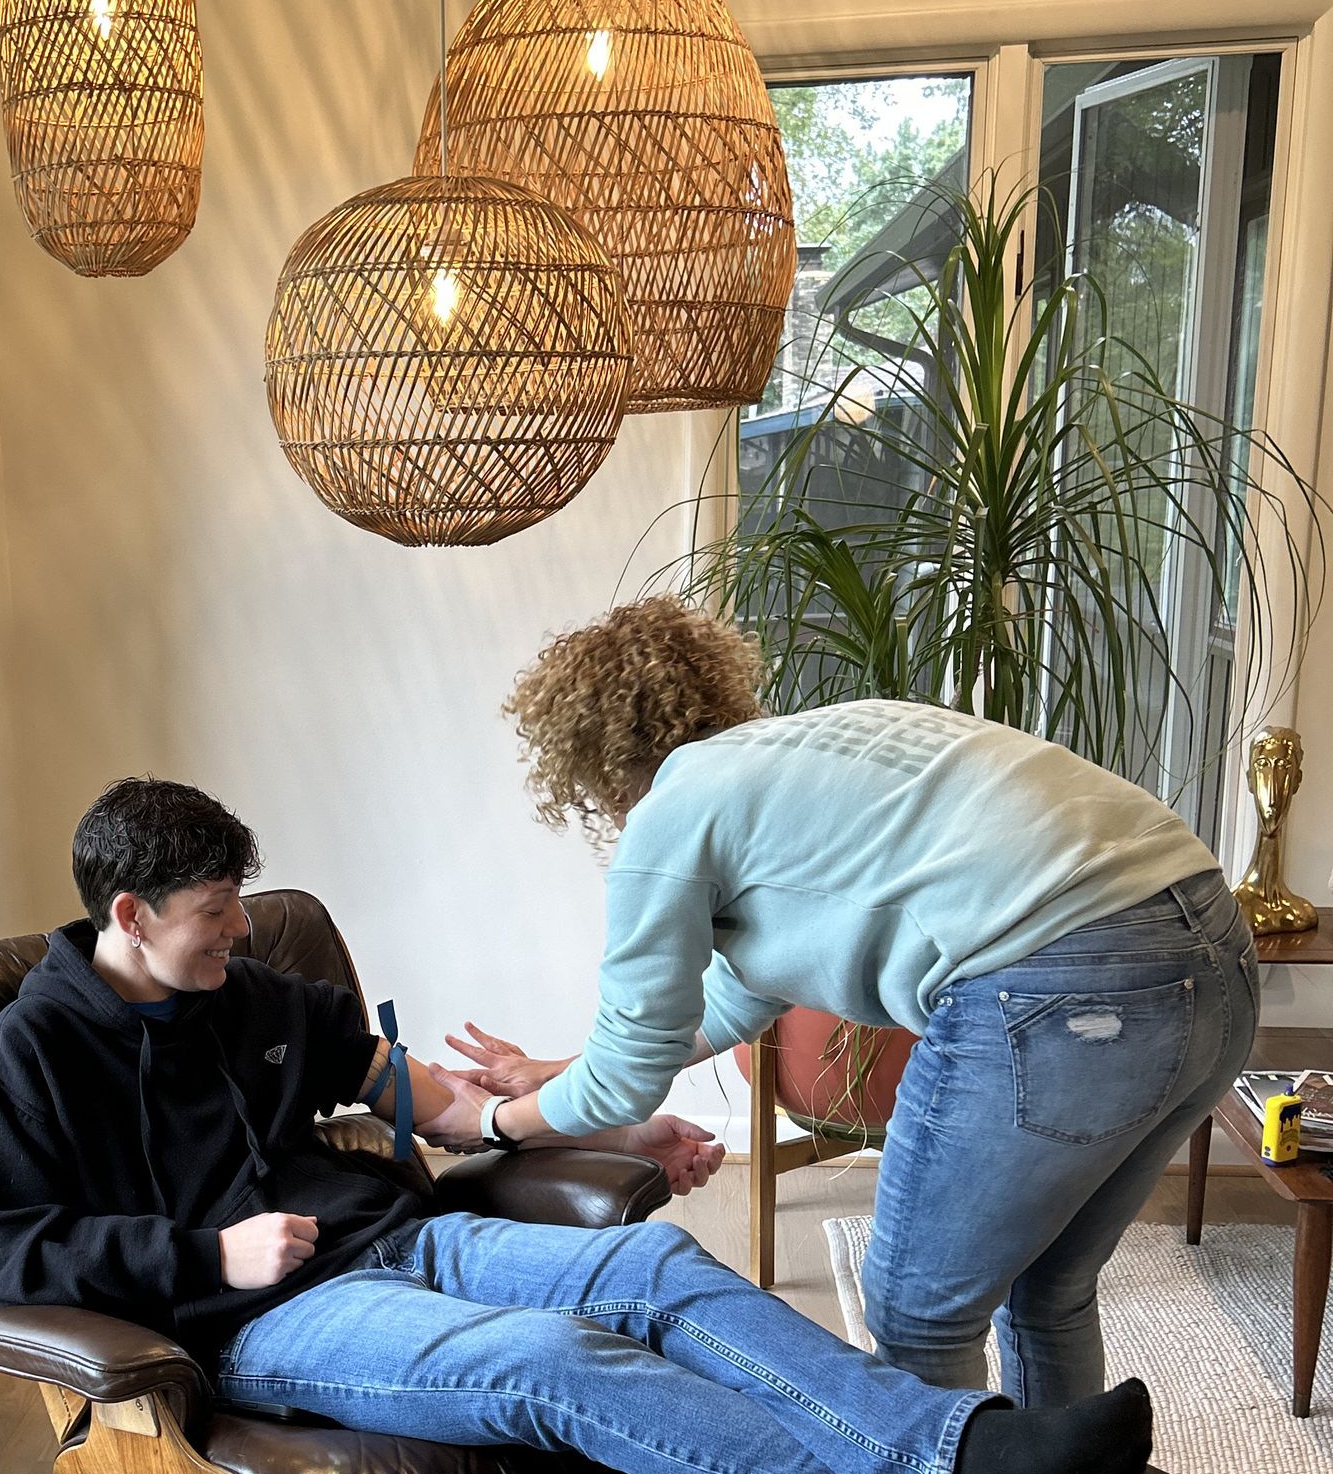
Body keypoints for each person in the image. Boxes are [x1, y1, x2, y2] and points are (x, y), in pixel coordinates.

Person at [0, 775, 1155, 1474]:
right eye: (214, 913)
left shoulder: (256, 997)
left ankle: (962, 1452)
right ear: (130, 911)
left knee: (653, 1265)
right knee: (544, 1361)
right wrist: (201, 1255)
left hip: (404, 1236)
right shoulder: (37, 1045)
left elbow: (430, 1098)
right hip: (255, 1319)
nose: (239, 931)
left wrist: (617, 1134)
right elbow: (13, 1254)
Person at [450, 599, 1259, 1409]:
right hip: (1214, 947)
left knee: (920, 1311)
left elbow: (628, 1084)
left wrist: (486, 1125)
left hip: (1064, 982)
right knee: (1049, 1285)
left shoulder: (671, 813)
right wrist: (558, 1073)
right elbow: (737, 996)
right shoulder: (823, 747)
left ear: (589, 759)